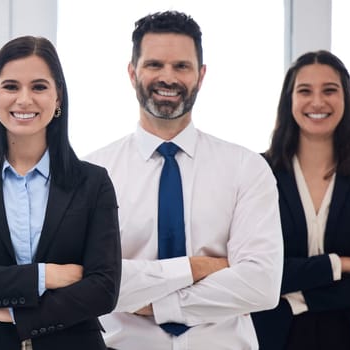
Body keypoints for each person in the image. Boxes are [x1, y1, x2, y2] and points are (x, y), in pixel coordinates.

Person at [84, 11, 284, 349]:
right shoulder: (91, 174)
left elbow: (260, 285)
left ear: (201, 75)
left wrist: (156, 303)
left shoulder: (246, 168)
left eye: (181, 66)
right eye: (154, 65)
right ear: (132, 73)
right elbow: (92, 283)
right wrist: (202, 267)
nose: (168, 77)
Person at [0, 35, 122, 350]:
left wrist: (15, 314)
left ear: (58, 96)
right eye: (10, 87)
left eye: (38, 87)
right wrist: (47, 276)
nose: (24, 100)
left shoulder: (93, 183)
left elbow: (103, 289)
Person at [251, 50, 350, 350]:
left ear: (345, 98)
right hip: (275, 338)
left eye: (330, 90)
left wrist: (300, 297)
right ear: (289, 101)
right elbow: (255, 271)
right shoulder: (258, 173)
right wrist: (339, 264)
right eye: (305, 91)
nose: (317, 102)